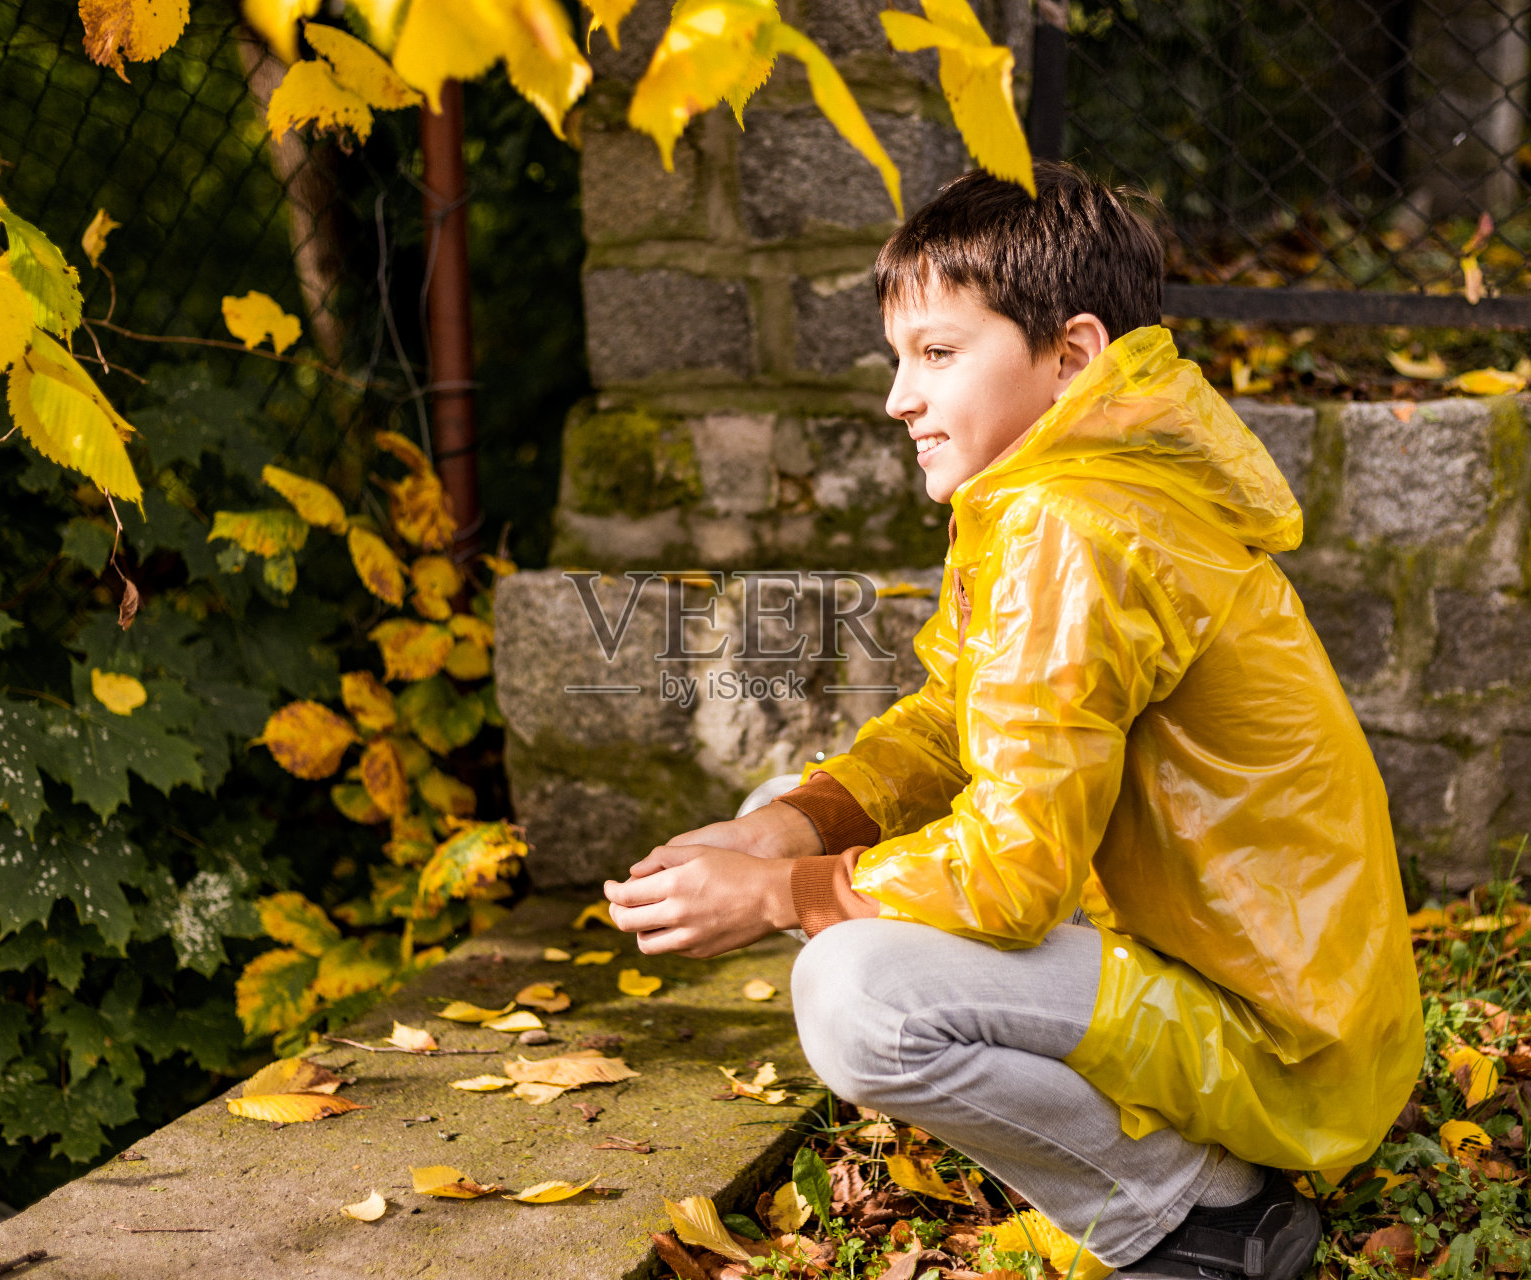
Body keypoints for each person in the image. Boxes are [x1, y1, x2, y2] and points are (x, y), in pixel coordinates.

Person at [603, 162, 1423, 1280]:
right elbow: (958, 717)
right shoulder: (1070, 481)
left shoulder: (1072, 523)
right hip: (1255, 986)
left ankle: (1198, 1215)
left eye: (937, 353)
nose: (900, 396)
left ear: (1071, 355)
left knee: (852, 993)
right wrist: (791, 830)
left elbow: (1019, 869)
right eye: (901, 357)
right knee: (775, 818)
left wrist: (783, 891)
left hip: (1276, 1038)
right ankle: (1172, 1170)